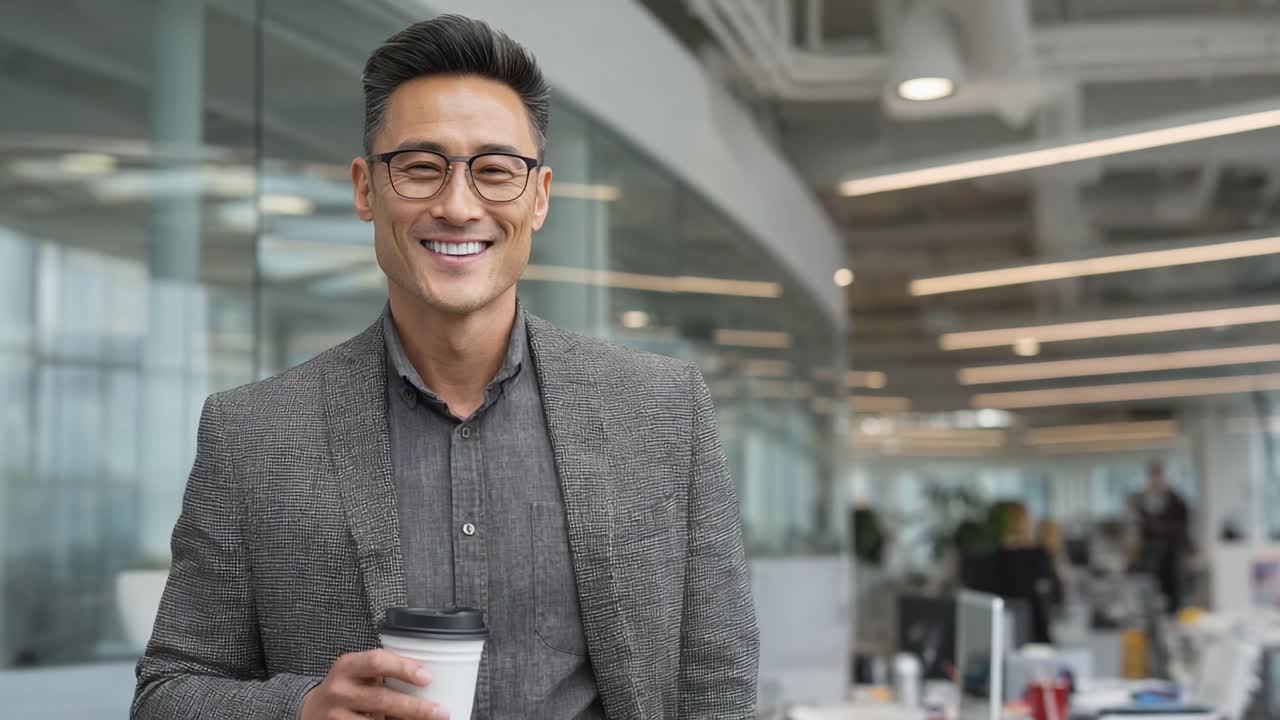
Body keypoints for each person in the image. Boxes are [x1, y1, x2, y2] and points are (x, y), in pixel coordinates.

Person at [131, 14, 759, 720]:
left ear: (540, 196)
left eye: (495, 171)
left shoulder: (662, 410)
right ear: (366, 190)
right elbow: (169, 691)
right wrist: (301, 710)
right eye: (422, 168)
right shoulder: (251, 435)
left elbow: (719, 681)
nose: (457, 206)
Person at [1129, 461, 1192, 614]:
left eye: (1158, 477)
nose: (1156, 481)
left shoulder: (1176, 499)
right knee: (1152, 590)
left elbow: (1183, 526)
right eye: (1153, 477)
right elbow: (1139, 527)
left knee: (1173, 590)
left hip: (1171, 552)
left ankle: (1174, 614)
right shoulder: (1142, 500)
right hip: (1151, 554)